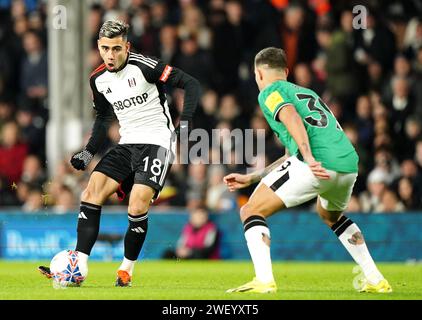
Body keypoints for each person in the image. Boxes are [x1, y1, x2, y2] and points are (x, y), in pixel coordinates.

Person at [38, 20, 200, 287]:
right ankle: (78, 263)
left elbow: (190, 84)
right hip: (127, 143)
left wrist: (185, 122)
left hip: (157, 140)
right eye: (105, 49)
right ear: (99, 48)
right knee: (91, 192)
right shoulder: (98, 79)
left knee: (137, 203)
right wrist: (89, 152)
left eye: (116, 48)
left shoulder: (145, 66)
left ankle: (126, 269)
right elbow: (103, 118)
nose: (110, 55)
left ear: (127, 46)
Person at [223, 47, 391, 294]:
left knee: (250, 210)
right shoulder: (306, 92)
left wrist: (310, 157)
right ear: (287, 72)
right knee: (330, 216)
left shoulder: (270, 92)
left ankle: (264, 280)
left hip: (316, 162)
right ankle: (376, 279)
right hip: (346, 166)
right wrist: (252, 177)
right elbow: (291, 154)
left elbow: (291, 118)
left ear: (258, 74)